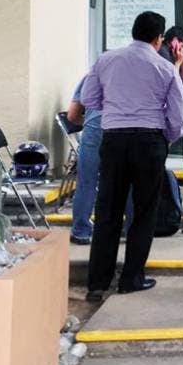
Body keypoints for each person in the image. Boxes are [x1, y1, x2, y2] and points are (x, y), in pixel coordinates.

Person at [80, 11, 183, 302]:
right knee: (143, 212)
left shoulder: (106, 60)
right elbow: (178, 117)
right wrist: (165, 139)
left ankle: (97, 283)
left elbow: (88, 99)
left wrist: (115, 108)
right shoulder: (165, 68)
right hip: (149, 142)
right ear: (159, 39)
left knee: (107, 210)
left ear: (133, 32)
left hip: (114, 139)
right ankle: (131, 279)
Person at [65, 75, 134, 246]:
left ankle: (81, 232)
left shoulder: (91, 77)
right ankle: (132, 230)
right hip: (122, 131)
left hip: (94, 132)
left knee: (86, 183)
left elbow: (72, 116)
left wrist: (90, 121)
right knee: (128, 182)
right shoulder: (132, 75)